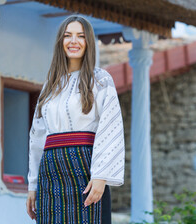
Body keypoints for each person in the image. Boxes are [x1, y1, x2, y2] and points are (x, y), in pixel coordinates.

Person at [26, 15, 125, 224]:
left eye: (80, 36)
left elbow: (110, 128)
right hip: (50, 170)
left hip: (85, 167)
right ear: (60, 42)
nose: (73, 41)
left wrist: (100, 176)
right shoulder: (49, 87)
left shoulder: (100, 79)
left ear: (88, 41)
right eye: (68, 36)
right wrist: (32, 185)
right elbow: (36, 139)